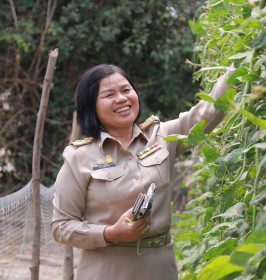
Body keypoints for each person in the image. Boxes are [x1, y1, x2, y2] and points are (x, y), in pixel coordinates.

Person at [51, 64, 235, 279]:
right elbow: (61, 226)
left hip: (160, 269)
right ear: (92, 106)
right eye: (109, 94)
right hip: (106, 271)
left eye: (126, 90)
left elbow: (208, 111)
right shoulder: (79, 157)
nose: (121, 99)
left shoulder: (162, 135)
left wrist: (236, 69)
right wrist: (110, 233)